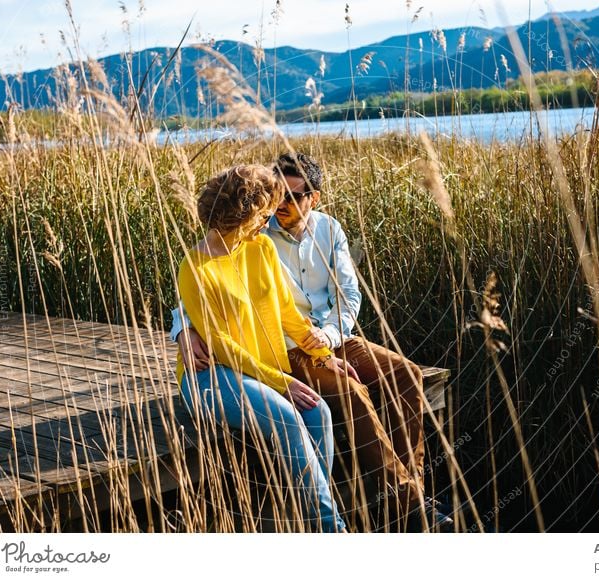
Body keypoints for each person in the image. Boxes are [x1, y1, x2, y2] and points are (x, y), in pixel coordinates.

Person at [172, 153, 452, 532]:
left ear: (313, 199)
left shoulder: (319, 232)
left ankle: (406, 499)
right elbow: (199, 309)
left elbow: (343, 296)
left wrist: (328, 342)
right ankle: (356, 517)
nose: (279, 208)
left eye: (292, 197)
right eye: (276, 199)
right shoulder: (247, 238)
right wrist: (184, 330)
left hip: (329, 336)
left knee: (408, 375)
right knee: (350, 393)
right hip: (285, 351)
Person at [175, 164, 352, 533]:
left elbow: (288, 313)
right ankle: (333, 531)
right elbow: (220, 346)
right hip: (212, 377)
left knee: (317, 412)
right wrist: (280, 381)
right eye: (262, 211)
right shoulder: (195, 267)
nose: (270, 216)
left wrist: (323, 355)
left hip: (260, 373)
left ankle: (304, 521)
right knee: (289, 417)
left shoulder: (261, 248)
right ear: (242, 214)